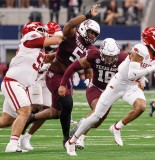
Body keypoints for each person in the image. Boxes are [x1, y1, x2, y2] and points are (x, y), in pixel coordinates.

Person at [64, 26, 155, 156]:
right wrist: (154, 67)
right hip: (117, 84)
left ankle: (117, 127)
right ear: (152, 41)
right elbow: (131, 74)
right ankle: (71, 141)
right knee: (96, 116)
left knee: (141, 106)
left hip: (131, 86)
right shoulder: (140, 49)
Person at [24, 4, 101, 148]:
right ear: (84, 28)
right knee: (67, 103)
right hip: (55, 74)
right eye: (91, 32)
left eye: (95, 35)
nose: (92, 36)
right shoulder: (72, 35)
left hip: (68, 78)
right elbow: (70, 23)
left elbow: (89, 66)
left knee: (56, 113)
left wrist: (90, 82)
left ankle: (30, 119)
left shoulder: (90, 48)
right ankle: (67, 139)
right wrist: (88, 15)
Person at [0, 21, 62, 152]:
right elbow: (56, 39)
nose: (43, 31)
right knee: (25, 111)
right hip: (14, 82)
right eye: (40, 29)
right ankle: (12, 145)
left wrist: (63, 54)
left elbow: (46, 58)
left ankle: (14, 142)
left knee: (6, 121)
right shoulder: (31, 36)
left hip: (20, 85)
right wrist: (61, 34)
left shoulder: (35, 48)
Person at [58, 38, 127, 149]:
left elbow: (134, 69)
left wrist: (139, 80)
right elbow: (74, 66)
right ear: (101, 52)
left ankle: (82, 124)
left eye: (112, 56)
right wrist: (62, 84)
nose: (109, 59)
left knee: (97, 122)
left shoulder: (123, 58)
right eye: (107, 56)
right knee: (96, 112)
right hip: (95, 87)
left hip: (110, 92)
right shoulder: (94, 55)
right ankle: (78, 139)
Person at [18, 22, 63, 151]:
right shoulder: (35, 41)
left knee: (47, 110)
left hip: (47, 78)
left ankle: (26, 137)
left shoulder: (57, 45)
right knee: (35, 107)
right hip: (34, 77)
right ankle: (17, 135)